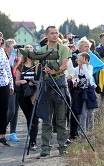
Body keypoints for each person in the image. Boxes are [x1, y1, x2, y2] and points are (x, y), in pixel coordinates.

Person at [37, 26, 72, 157]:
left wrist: (53, 71)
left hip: (59, 86)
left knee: (61, 119)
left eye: (56, 33)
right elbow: (37, 69)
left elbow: (64, 65)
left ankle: (62, 147)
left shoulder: (64, 48)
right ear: (46, 35)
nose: (54, 35)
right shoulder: (41, 50)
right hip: (46, 86)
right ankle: (45, 148)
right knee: (46, 119)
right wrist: (41, 73)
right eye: (51, 33)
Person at [16, 44, 39, 150]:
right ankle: (31, 139)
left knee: (34, 118)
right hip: (23, 95)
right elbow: (16, 82)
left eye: (31, 51)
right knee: (28, 117)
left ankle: (33, 142)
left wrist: (33, 83)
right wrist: (23, 81)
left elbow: (40, 80)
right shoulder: (20, 65)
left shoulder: (37, 65)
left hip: (34, 94)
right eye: (27, 51)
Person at [72, 52, 98, 140]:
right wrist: (74, 81)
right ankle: (82, 135)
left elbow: (89, 77)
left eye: (81, 60)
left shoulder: (89, 67)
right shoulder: (76, 69)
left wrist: (84, 67)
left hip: (89, 92)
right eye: (78, 60)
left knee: (90, 113)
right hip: (81, 92)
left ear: (86, 60)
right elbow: (73, 77)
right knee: (82, 114)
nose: (79, 62)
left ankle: (90, 133)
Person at [3, 38, 20, 142]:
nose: (14, 49)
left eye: (15, 47)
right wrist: (13, 55)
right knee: (11, 111)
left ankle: (12, 133)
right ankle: (1, 129)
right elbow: (8, 66)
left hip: (17, 84)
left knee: (16, 111)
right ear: (6, 48)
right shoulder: (4, 57)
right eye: (12, 47)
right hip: (9, 85)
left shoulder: (17, 59)